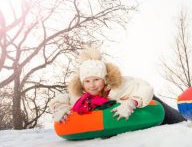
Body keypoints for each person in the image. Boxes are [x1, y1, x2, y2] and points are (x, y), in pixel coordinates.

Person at [50, 48, 185, 124]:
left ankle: (186, 117)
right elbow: (64, 97)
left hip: (147, 100)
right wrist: (58, 107)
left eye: (96, 79)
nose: (92, 85)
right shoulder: (80, 96)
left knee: (179, 120)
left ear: (104, 78)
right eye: (87, 81)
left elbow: (145, 88)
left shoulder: (118, 87)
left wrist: (132, 102)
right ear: (82, 82)